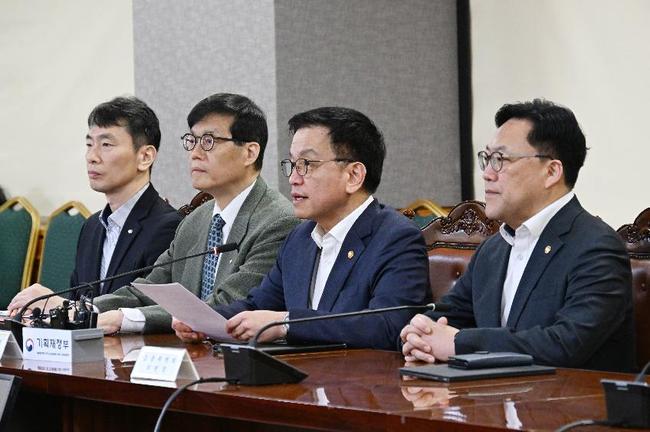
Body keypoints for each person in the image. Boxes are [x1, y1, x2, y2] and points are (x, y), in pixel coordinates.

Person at [401, 99, 634, 372]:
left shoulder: (597, 247)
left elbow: (566, 344)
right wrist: (418, 334)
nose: (487, 174)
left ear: (551, 172)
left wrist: (459, 343)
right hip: (491, 395)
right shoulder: (494, 248)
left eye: (500, 160)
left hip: (572, 397)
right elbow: (449, 315)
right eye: (487, 159)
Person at [173, 107, 431, 350]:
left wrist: (285, 323)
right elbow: (257, 305)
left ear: (353, 176)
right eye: (293, 164)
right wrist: (202, 320)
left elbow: (388, 326)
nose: (294, 178)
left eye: (307, 164)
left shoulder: (396, 238)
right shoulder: (300, 238)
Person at [89, 93, 299, 334]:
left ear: (250, 153)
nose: (195, 153)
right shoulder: (195, 220)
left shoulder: (278, 221)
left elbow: (226, 305)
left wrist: (125, 318)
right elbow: (149, 288)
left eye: (209, 141)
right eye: (192, 141)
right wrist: (86, 310)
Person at [8, 96, 181, 310]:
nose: (92, 156)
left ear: (145, 157)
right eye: (89, 144)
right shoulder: (91, 226)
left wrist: (60, 305)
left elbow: (149, 310)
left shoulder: (168, 227)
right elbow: (76, 303)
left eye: (106, 145)